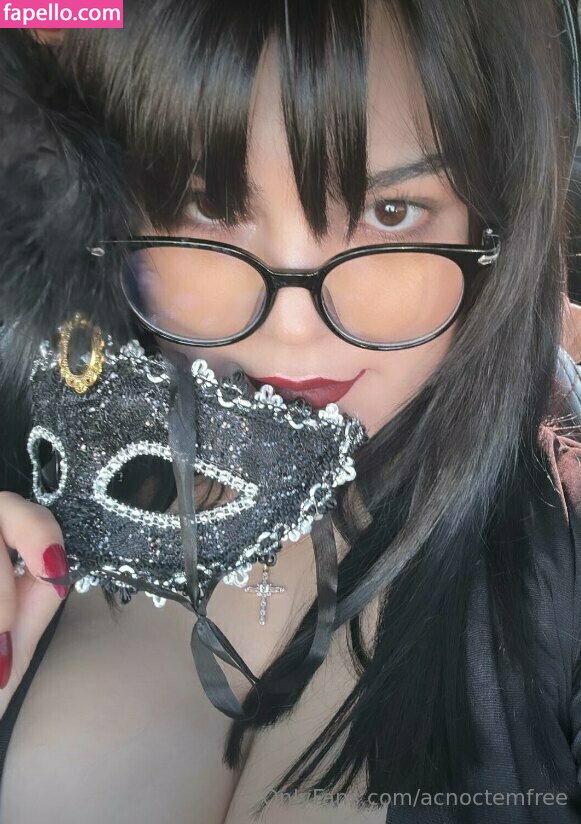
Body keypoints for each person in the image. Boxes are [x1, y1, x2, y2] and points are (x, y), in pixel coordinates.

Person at [1, 1, 581, 822]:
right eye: (208, 206)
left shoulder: (559, 555)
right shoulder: (23, 450)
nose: (295, 325)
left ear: (492, 222)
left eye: (388, 213)